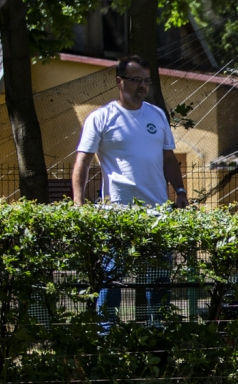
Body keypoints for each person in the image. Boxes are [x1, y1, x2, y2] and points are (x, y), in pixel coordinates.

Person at [72, 55, 187, 328]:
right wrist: (79, 204)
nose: (142, 86)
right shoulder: (100, 118)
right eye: (136, 80)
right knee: (112, 279)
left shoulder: (157, 115)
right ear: (119, 81)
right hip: (117, 213)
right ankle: (106, 337)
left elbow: (168, 159)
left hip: (157, 212)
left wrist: (180, 191)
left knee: (157, 280)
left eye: (146, 81)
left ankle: (155, 333)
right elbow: (83, 162)